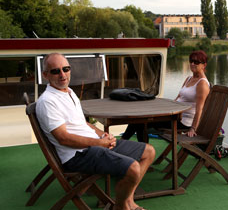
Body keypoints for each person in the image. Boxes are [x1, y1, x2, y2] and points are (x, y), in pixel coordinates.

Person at [36, 53, 155, 210]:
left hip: (93, 146)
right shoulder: (48, 101)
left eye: (66, 69)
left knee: (149, 151)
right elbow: (63, 138)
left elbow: (82, 123)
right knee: (133, 168)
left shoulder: (69, 92)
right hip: (78, 155)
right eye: (55, 71)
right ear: (45, 75)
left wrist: (102, 135)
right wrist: (100, 143)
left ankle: (129, 200)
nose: (62, 74)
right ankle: (120, 207)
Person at [122, 50, 210, 140]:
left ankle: (126, 144)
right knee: (140, 118)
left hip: (183, 122)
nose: (192, 64)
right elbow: (179, 97)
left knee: (140, 122)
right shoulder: (189, 78)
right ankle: (139, 147)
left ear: (204, 65)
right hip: (175, 115)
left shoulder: (202, 83)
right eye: (191, 61)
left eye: (196, 62)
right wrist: (165, 109)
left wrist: (193, 128)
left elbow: (200, 109)